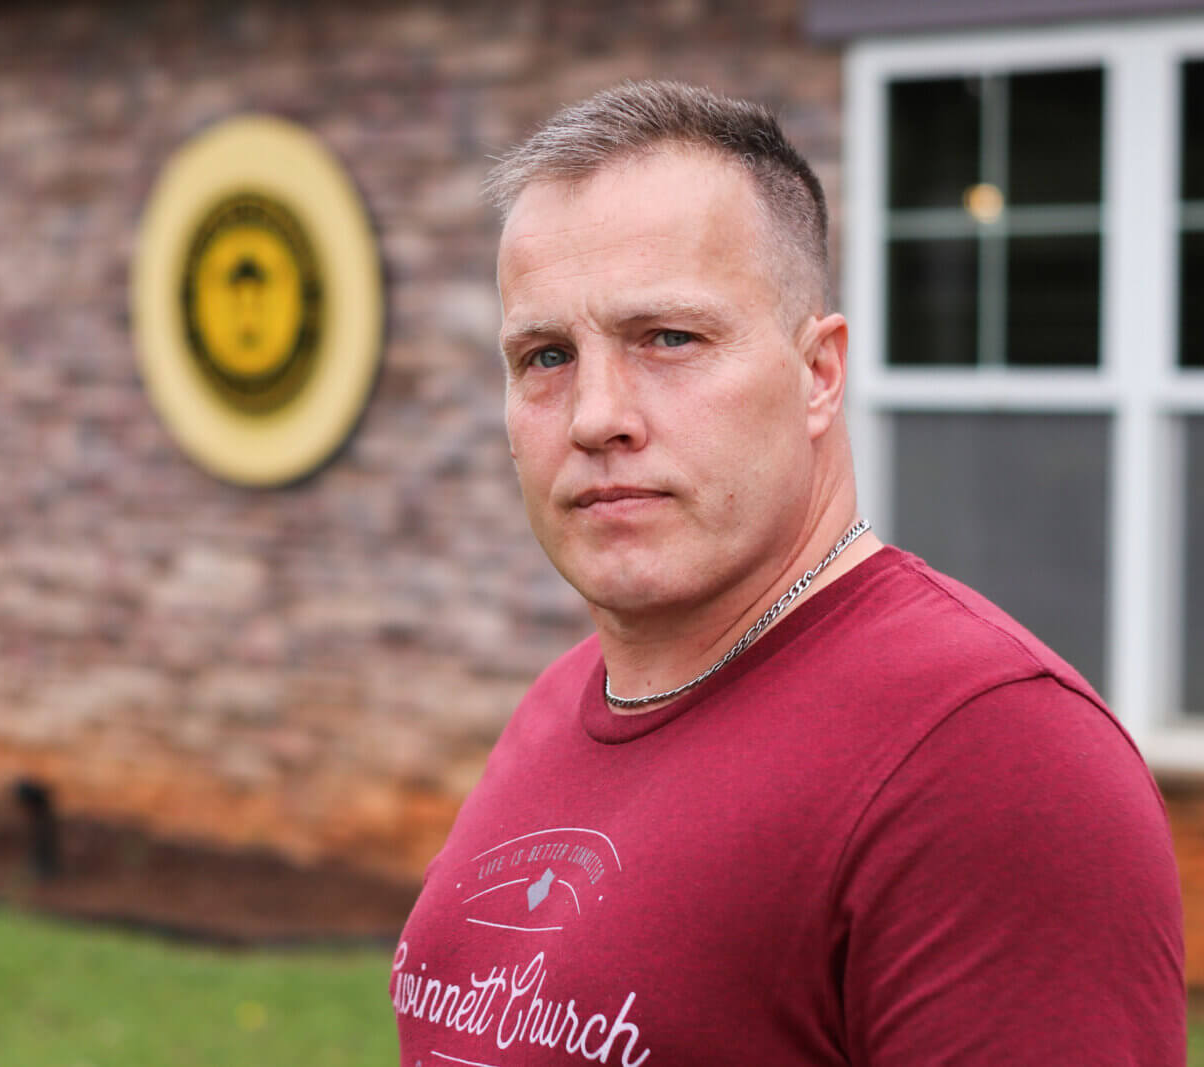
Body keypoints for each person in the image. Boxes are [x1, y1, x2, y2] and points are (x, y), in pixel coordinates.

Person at [392, 81, 1184, 1066]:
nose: (597, 415)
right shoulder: (561, 705)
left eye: (668, 339)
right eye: (544, 355)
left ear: (819, 373)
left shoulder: (990, 757)